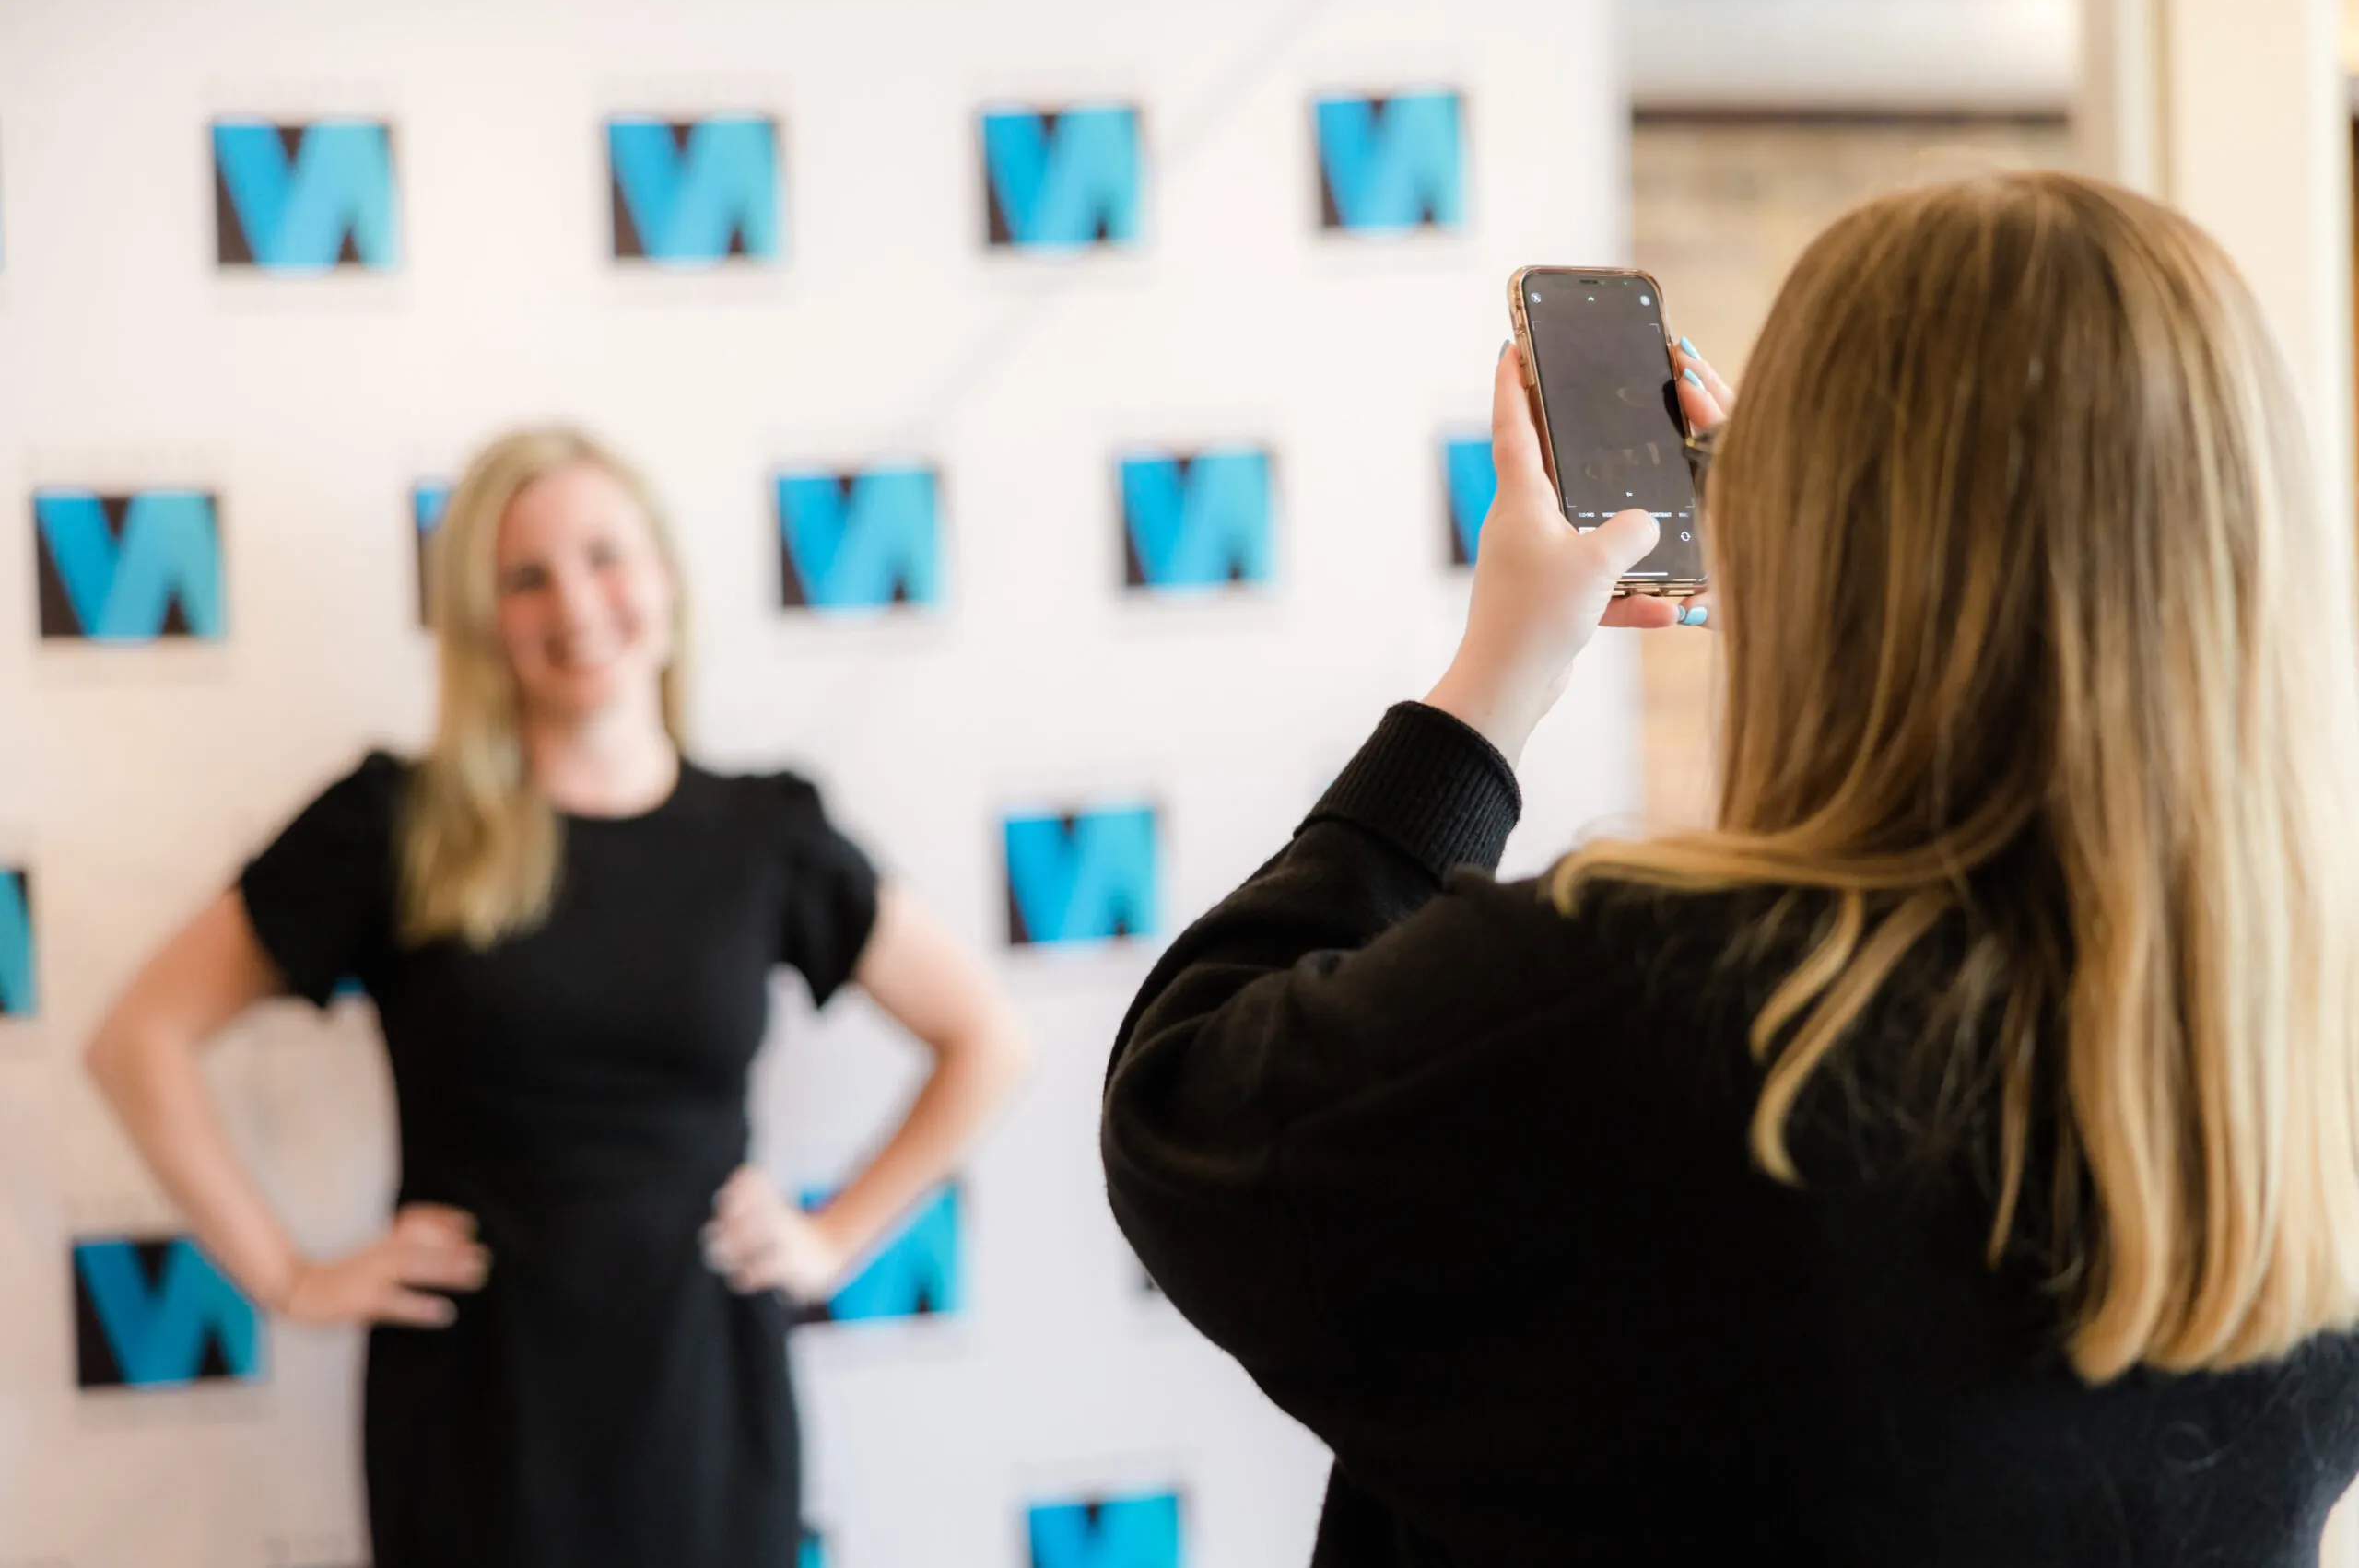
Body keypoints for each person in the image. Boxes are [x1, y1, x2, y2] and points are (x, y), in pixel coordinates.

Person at [1101, 170, 2359, 1566]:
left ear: (1811, 534)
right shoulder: (2300, 1089)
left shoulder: (1648, 1009)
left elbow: (1188, 1117)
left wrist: (1491, 685)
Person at [86, 428, 1033, 1568]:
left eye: (603, 555)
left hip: (703, 1394)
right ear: (482, 621)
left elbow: (986, 1038)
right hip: (475, 1407)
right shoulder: (397, 824)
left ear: (667, 579)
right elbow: (138, 1039)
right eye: (525, 576)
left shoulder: (764, 835)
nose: (575, 604)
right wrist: (290, 1276)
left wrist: (833, 1237)